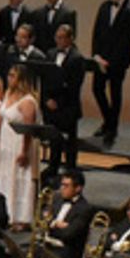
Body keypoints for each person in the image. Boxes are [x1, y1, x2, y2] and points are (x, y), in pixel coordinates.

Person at [90, 0, 130, 143]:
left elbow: (126, 40)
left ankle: (112, 127)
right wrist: (96, 55)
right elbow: (96, 33)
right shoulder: (104, 7)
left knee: (115, 93)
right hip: (101, 58)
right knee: (97, 89)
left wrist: (110, 60)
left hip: (118, 60)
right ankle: (108, 121)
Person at [0, 64, 39, 229]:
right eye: (9, 75)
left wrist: (24, 151)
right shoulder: (8, 93)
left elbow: (28, 130)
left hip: (20, 143)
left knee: (19, 179)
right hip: (7, 141)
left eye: (13, 76)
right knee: (6, 177)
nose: (9, 79)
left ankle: (20, 217)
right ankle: (5, 214)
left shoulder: (28, 101)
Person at [41, 24, 87, 174]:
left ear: (70, 39)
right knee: (54, 140)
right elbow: (45, 79)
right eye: (57, 37)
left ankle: (70, 171)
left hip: (68, 107)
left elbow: (75, 86)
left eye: (61, 38)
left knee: (69, 142)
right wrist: (46, 99)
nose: (58, 41)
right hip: (51, 105)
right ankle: (53, 168)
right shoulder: (50, 54)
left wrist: (59, 102)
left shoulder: (77, 58)